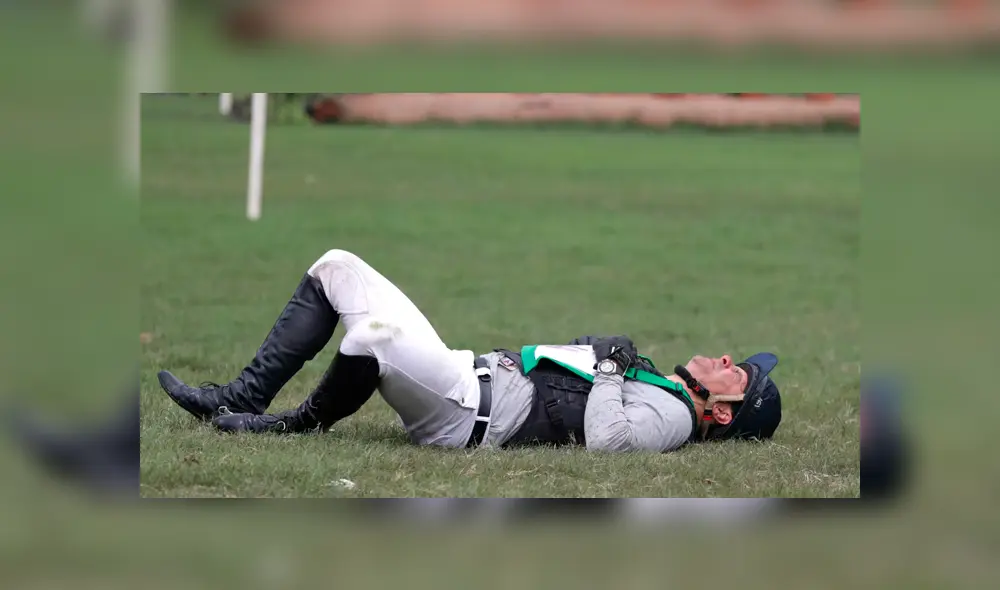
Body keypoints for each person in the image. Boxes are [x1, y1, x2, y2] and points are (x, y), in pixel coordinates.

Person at [157, 249, 783, 452]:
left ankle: (294, 425)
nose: (728, 360)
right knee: (336, 267)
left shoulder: (676, 418)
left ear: (724, 412)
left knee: (368, 337)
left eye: (739, 374)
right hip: (465, 371)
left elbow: (611, 442)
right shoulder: (673, 392)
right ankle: (237, 398)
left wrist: (613, 368)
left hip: (467, 413)